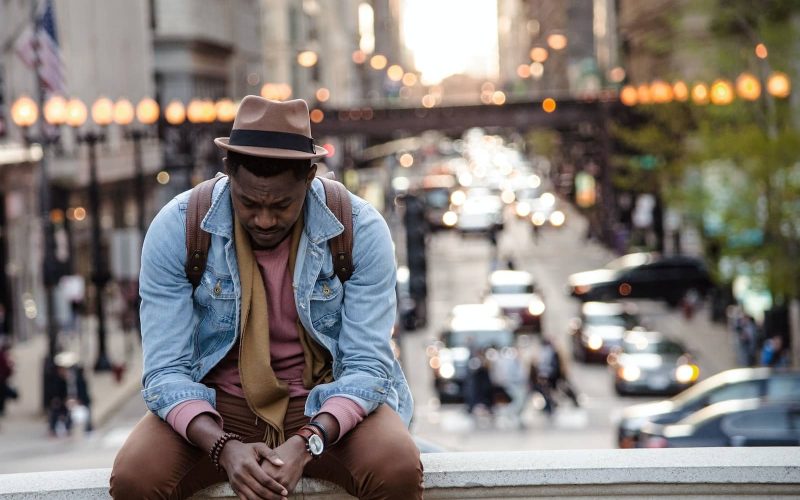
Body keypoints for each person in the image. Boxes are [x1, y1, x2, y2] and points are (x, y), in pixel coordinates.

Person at [110, 96, 422, 500]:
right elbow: (164, 373)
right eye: (250, 203)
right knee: (136, 477)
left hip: (325, 400)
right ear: (229, 173)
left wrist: (307, 440)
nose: (264, 219)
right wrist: (223, 447)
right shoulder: (178, 227)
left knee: (396, 466)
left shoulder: (358, 229)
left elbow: (368, 367)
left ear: (309, 177)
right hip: (216, 407)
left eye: (281, 205)